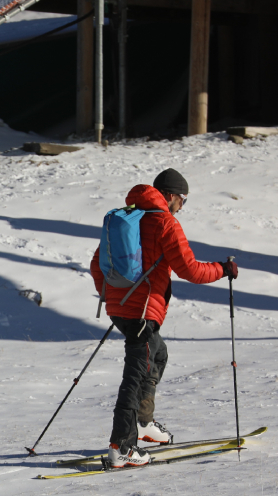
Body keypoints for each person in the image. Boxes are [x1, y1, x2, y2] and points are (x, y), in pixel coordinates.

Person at [90, 168, 239, 468]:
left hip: (122, 308)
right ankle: (122, 447)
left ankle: (142, 423)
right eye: (183, 200)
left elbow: (97, 265)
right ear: (170, 196)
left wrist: (116, 300)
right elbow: (191, 270)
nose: (182, 207)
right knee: (134, 376)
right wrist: (224, 269)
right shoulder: (163, 223)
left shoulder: (125, 218)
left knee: (157, 354)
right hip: (142, 312)